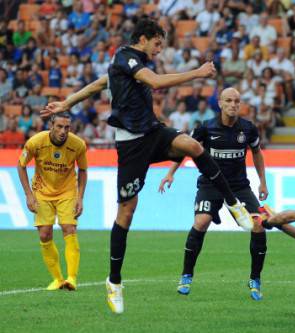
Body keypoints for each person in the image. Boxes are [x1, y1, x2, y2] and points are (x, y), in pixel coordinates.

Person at [41, 18, 254, 314]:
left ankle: (234, 204)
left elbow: (100, 84)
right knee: (126, 212)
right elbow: (155, 81)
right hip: (130, 145)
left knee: (194, 147)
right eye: (157, 44)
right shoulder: (127, 56)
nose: (159, 50)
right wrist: (198, 72)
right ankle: (114, 282)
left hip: (152, 133)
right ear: (143, 38)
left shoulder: (127, 63)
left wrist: (69, 102)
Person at [159, 87, 269, 300]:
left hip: (239, 187)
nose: (233, 105)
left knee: (259, 224)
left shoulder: (248, 129)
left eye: (237, 101)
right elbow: (185, 148)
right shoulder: (206, 128)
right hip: (211, 185)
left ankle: (255, 279)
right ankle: (186, 275)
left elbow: (257, 152)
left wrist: (262, 182)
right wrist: (170, 173)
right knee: (200, 222)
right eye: (228, 100)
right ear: (220, 103)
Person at [17, 112, 87, 292]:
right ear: (51, 126)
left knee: (69, 228)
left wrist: (80, 197)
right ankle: (57, 279)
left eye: (67, 127)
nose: (63, 131)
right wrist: (28, 195)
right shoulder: (35, 142)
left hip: (67, 191)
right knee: (44, 235)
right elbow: (21, 165)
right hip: (42, 191)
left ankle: (71, 278)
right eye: (59, 127)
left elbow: (83, 171)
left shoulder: (78, 145)